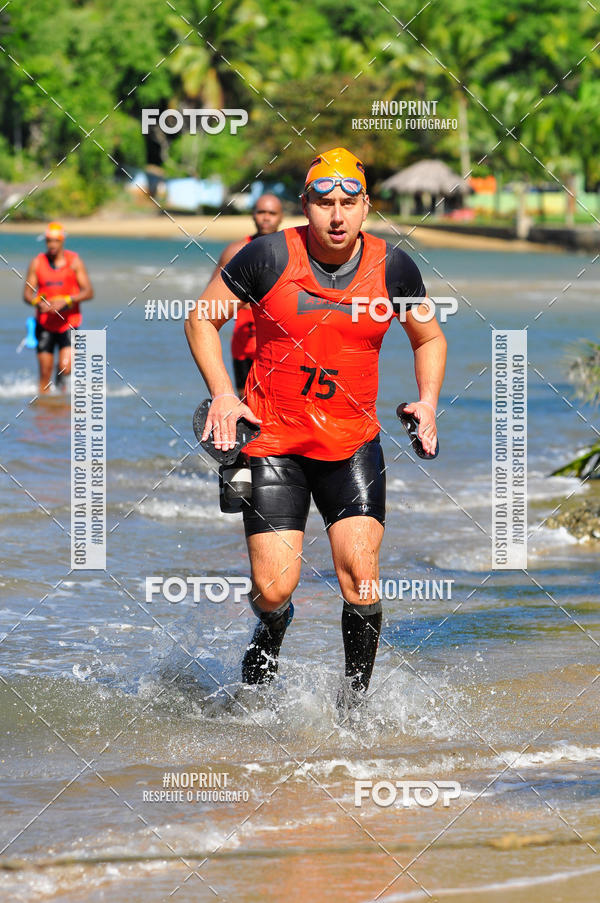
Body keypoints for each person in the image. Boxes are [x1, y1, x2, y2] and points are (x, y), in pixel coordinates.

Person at [185, 148, 447, 706]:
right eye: (325, 203)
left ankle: (354, 709)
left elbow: (429, 337)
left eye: (349, 203)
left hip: (352, 445)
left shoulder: (394, 268)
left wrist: (427, 402)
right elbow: (202, 318)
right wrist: (225, 394)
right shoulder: (267, 256)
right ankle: (273, 627)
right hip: (273, 442)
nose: (337, 215)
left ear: (366, 207)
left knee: (361, 577)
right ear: (305, 205)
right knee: (273, 588)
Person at [210, 195, 283, 397]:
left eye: (272, 213)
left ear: (281, 217)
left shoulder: (290, 250)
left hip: (278, 340)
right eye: (261, 212)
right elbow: (211, 301)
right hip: (245, 339)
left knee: (278, 397)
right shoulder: (235, 250)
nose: (266, 218)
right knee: (245, 399)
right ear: (253, 215)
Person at [23, 222, 94, 393]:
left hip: (69, 323)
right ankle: (44, 404)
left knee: (65, 367)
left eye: (56, 241)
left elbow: (88, 292)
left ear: (62, 241)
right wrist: (37, 303)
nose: (52, 244)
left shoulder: (74, 262)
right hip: (45, 324)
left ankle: (60, 399)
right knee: (45, 373)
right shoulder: (37, 262)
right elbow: (27, 294)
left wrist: (67, 301)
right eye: (49, 241)